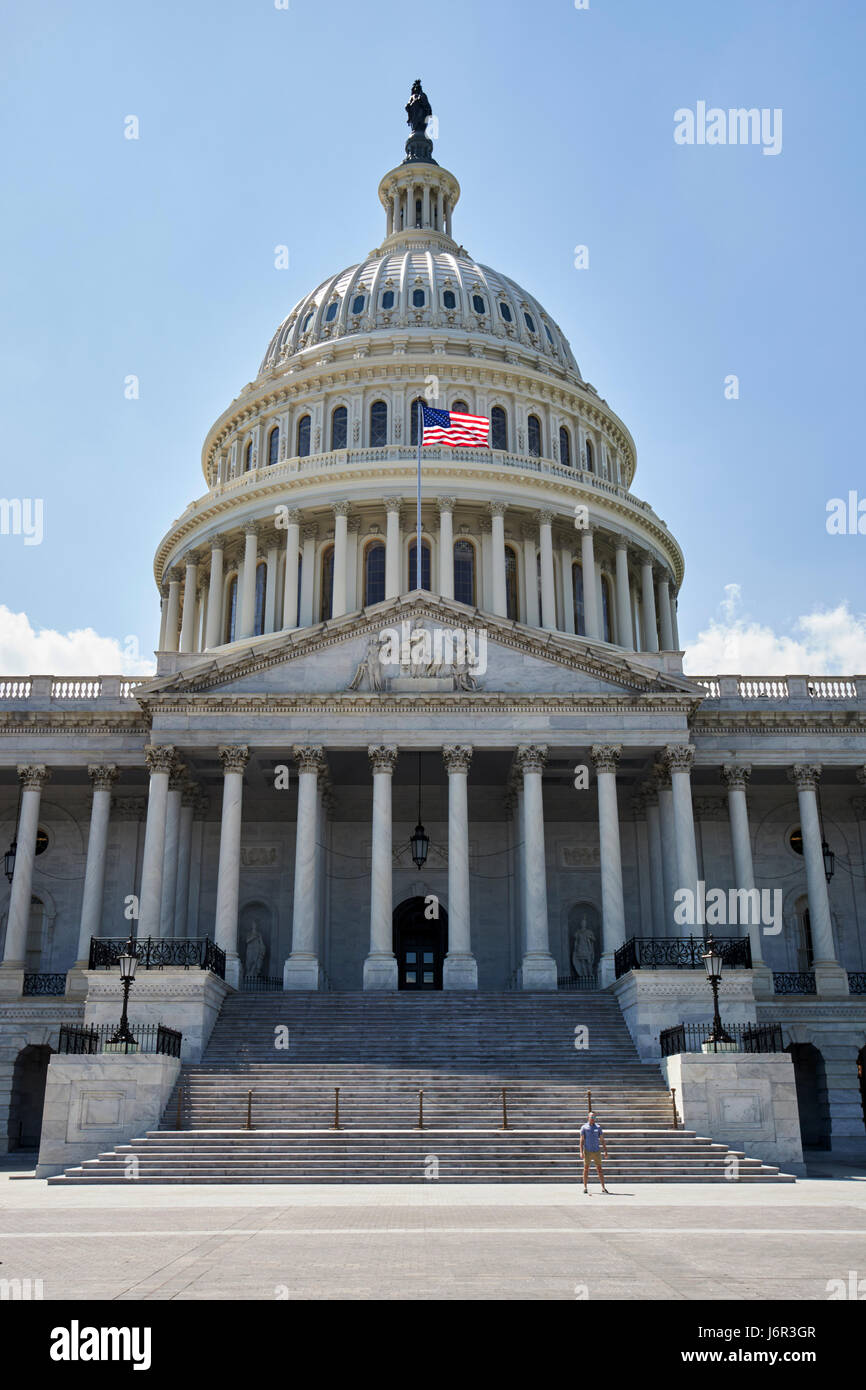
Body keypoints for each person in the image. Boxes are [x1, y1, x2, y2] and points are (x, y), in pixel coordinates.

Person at [579, 1111, 610, 1194]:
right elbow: (582, 1140)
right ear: (588, 1118)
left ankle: (603, 1187)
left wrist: (605, 1151)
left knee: (599, 1169)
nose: (592, 1119)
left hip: (596, 1151)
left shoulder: (598, 1127)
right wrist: (581, 1152)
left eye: (594, 1117)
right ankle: (585, 1187)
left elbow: (602, 1140)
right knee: (586, 1169)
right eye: (591, 1117)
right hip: (588, 1151)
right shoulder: (584, 1127)